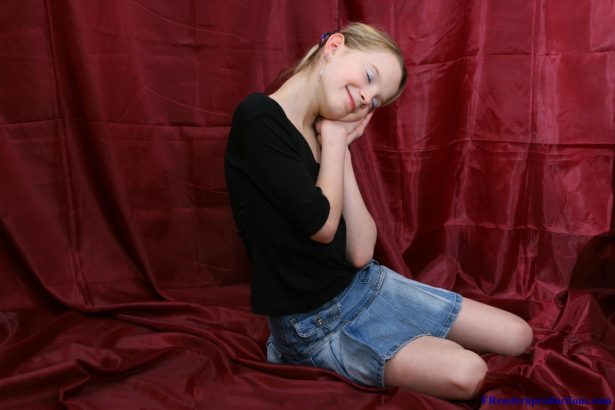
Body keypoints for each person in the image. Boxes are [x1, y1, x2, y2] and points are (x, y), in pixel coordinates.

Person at [224, 22, 533, 401]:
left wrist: (338, 145)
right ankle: (306, 353)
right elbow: (321, 225)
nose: (365, 99)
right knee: (468, 373)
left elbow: (359, 253)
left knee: (519, 336)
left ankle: (405, 338)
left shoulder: (326, 129)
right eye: (369, 77)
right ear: (334, 47)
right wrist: (335, 141)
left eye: (374, 101)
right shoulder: (260, 117)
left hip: (365, 284)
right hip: (313, 325)